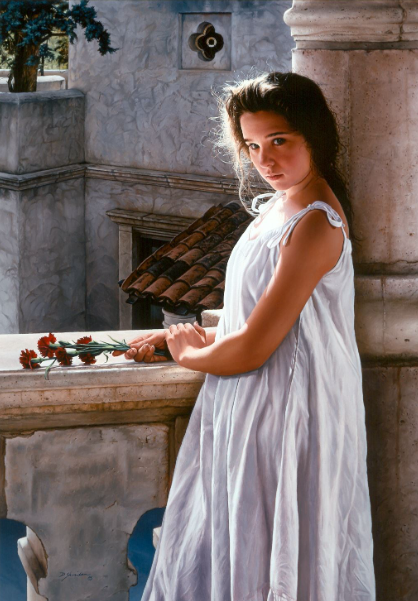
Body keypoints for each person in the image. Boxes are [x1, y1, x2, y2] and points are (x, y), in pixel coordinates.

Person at [117, 72, 376, 600]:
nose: (265, 160)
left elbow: (255, 346)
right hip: (253, 402)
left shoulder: (316, 223)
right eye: (253, 145)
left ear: (315, 135)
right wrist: (183, 336)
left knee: (272, 554)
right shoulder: (279, 206)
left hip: (289, 409)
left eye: (279, 140)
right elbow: (255, 313)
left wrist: (189, 353)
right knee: (242, 549)